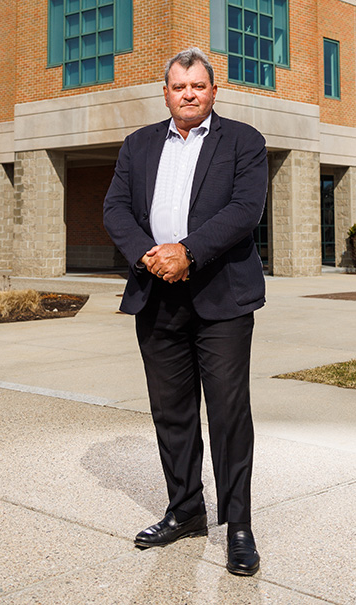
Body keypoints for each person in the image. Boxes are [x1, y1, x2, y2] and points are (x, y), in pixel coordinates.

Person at [103, 47, 267, 576]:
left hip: (221, 299)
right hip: (157, 295)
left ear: (213, 91)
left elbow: (246, 210)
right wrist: (150, 256)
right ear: (166, 92)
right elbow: (115, 209)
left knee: (227, 414)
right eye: (179, 86)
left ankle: (237, 524)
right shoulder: (137, 145)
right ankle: (186, 510)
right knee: (171, 413)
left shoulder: (243, 141)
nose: (189, 93)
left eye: (198, 85)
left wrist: (187, 253)